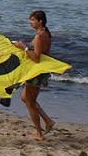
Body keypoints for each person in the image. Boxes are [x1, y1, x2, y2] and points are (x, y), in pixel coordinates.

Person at [14, 9, 56, 140]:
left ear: (40, 21)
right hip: (41, 71)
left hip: (37, 72)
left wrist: (24, 47)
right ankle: (48, 121)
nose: (30, 22)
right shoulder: (46, 33)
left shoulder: (39, 36)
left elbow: (36, 58)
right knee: (25, 98)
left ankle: (39, 133)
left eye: (32, 20)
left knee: (29, 101)